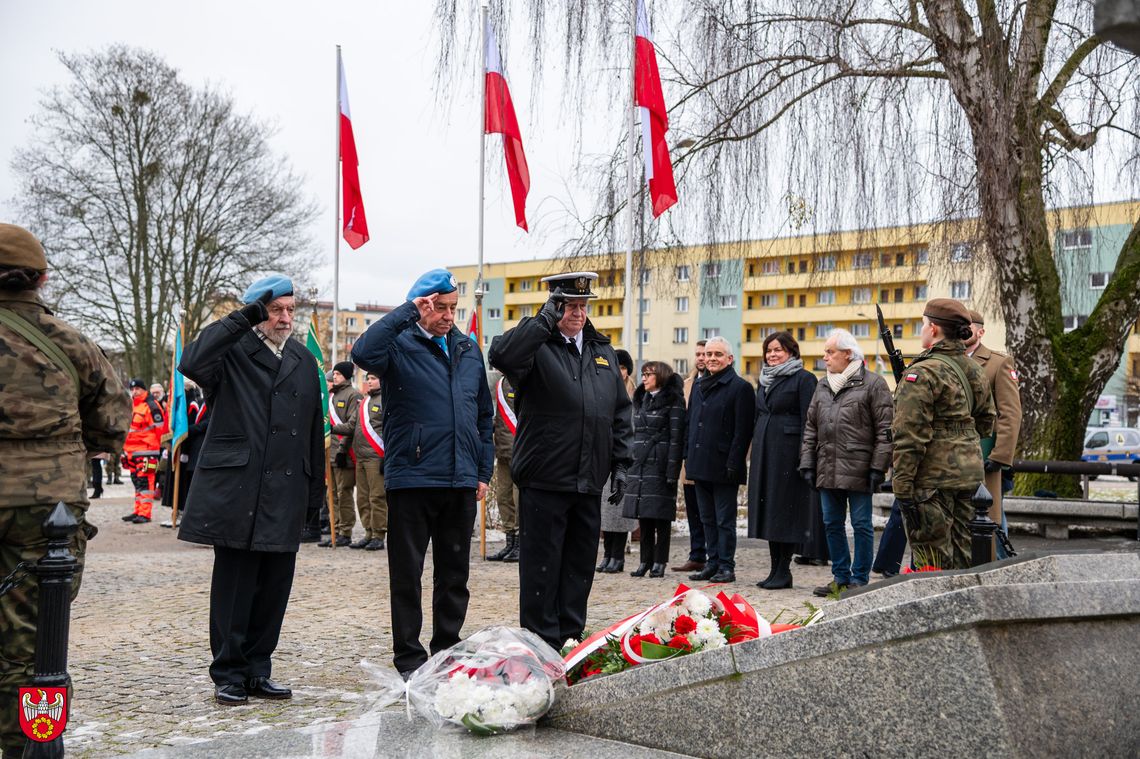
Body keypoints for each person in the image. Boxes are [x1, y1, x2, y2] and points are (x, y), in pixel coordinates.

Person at [0, 223, 130, 759]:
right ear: (42, 278)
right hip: (47, 504)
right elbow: (112, 418)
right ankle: (27, 746)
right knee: (34, 638)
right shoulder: (70, 341)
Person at [178, 273, 325, 705]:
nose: (284, 318)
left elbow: (313, 432)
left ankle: (259, 669)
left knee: (274, 588)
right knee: (236, 587)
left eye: (289, 310)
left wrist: (311, 502)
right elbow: (192, 360)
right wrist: (243, 318)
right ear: (256, 313)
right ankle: (228, 671)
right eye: (275, 310)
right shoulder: (232, 351)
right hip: (239, 489)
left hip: (286, 488)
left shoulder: (300, 358)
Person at [351, 268, 493, 677]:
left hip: (461, 479)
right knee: (407, 575)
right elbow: (362, 352)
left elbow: (483, 415)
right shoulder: (398, 344)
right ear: (422, 306)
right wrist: (407, 313)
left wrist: (482, 470)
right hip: (412, 477)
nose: (448, 316)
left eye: (453, 307)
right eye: (440, 308)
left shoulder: (467, 349)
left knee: (454, 575)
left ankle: (447, 650)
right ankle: (409, 659)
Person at [488, 271, 632, 650]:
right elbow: (501, 355)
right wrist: (542, 322)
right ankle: (539, 642)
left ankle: (569, 640)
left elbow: (619, 412)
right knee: (541, 567)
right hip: (545, 476)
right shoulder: (537, 345)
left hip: (588, 478)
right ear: (554, 306)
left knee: (579, 565)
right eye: (570, 306)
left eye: (583, 306)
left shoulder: (602, 351)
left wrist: (621, 463)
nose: (578, 314)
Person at [892, 299, 995, 570]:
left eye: (924, 324)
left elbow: (909, 435)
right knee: (965, 557)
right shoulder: (974, 368)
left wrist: (901, 484)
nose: (922, 329)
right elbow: (986, 422)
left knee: (932, 561)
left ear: (934, 328)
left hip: (931, 480)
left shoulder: (922, 372)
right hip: (970, 475)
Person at [800, 329, 893, 596]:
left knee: (862, 523)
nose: (825, 357)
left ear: (848, 354)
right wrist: (807, 462)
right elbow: (811, 427)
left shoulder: (873, 384)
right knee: (831, 523)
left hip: (860, 467)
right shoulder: (823, 384)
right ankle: (840, 576)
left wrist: (878, 466)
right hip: (827, 465)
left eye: (830, 352)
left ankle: (860, 578)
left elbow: (886, 429)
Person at [746, 331, 818, 590]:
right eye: (769, 350)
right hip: (766, 452)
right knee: (769, 513)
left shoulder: (804, 379)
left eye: (778, 350)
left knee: (784, 514)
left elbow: (809, 421)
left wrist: (804, 455)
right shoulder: (764, 380)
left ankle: (784, 570)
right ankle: (774, 568)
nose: (772, 355)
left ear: (791, 352)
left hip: (788, 455)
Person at [684, 336, 754, 584]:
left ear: (729, 359)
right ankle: (711, 564)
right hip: (699, 462)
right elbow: (689, 423)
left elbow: (742, 432)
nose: (711, 359)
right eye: (708, 354)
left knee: (724, 520)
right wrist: (686, 455)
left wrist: (734, 463)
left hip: (724, 465)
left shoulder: (741, 388)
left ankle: (726, 566)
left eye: (717, 355)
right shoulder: (699, 385)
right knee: (707, 519)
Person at [966, 310, 1022, 559]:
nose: (964, 331)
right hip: (957, 454)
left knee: (991, 515)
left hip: (987, 452)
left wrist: (1000, 455)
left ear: (981, 331)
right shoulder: (949, 360)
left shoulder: (999, 363)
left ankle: (1001, 565)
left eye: (970, 327)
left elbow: (1011, 413)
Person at [623, 361, 686, 578]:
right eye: (643, 374)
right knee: (644, 515)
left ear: (660, 377)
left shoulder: (674, 401)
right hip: (640, 463)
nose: (644, 378)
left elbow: (677, 438)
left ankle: (660, 561)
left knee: (661, 518)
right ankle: (645, 561)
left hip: (660, 464)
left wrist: (672, 471)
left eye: (649, 374)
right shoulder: (640, 399)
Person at [330, 371, 388, 550]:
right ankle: (368, 532)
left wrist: (389, 456)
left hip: (376, 456)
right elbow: (350, 426)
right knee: (362, 498)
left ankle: (379, 534)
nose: (369, 382)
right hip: (361, 457)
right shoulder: (364, 402)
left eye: (373, 378)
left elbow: (391, 430)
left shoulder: (386, 400)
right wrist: (330, 428)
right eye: (368, 378)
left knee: (377, 497)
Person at [597, 348, 638, 573]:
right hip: (606, 456)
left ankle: (618, 557)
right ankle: (607, 554)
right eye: (617, 366)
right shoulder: (605, 388)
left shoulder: (634, 394)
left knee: (620, 512)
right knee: (607, 510)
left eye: (623, 368)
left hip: (625, 458)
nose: (620, 372)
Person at [672, 340, 709, 573]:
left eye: (705, 354)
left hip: (710, 457)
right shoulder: (686, 385)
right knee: (693, 508)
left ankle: (715, 554)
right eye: (698, 354)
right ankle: (697, 553)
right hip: (688, 456)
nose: (701, 358)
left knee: (710, 511)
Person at [321, 362, 363, 548]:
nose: (334, 376)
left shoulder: (353, 395)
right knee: (333, 495)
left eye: (337, 374)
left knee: (343, 493)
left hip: (343, 453)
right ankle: (335, 529)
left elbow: (351, 426)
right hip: (329, 452)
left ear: (346, 375)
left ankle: (345, 531)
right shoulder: (331, 395)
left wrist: (342, 450)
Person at [486, 370, 520, 562]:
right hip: (502, 449)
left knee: (518, 499)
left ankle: (520, 542)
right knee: (503, 497)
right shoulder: (499, 383)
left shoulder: (522, 381)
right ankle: (510, 540)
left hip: (519, 450)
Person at [121, 378, 165, 524]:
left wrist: (153, 447)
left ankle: (145, 513)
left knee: (146, 482)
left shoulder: (151, 405)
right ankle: (138, 511)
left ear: (144, 389)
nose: (134, 391)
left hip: (147, 451)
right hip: (132, 451)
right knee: (137, 482)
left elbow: (160, 428)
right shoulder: (133, 405)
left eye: (137, 389)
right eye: (132, 389)